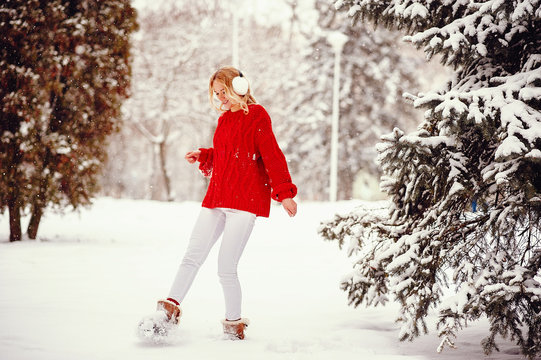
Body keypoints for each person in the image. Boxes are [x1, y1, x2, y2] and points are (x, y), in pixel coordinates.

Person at [155, 66, 298, 340]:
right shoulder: (223, 120)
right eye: (216, 93)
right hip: (218, 196)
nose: (221, 97)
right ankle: (168, 312)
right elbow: (226, 156)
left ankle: (234, 326)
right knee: (191, 255)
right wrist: (205, 156)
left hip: (244, 202)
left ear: (239, 87)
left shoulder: (257, 115)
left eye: (224, 91)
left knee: (226, 268)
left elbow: (271, 155)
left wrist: (284, 192)